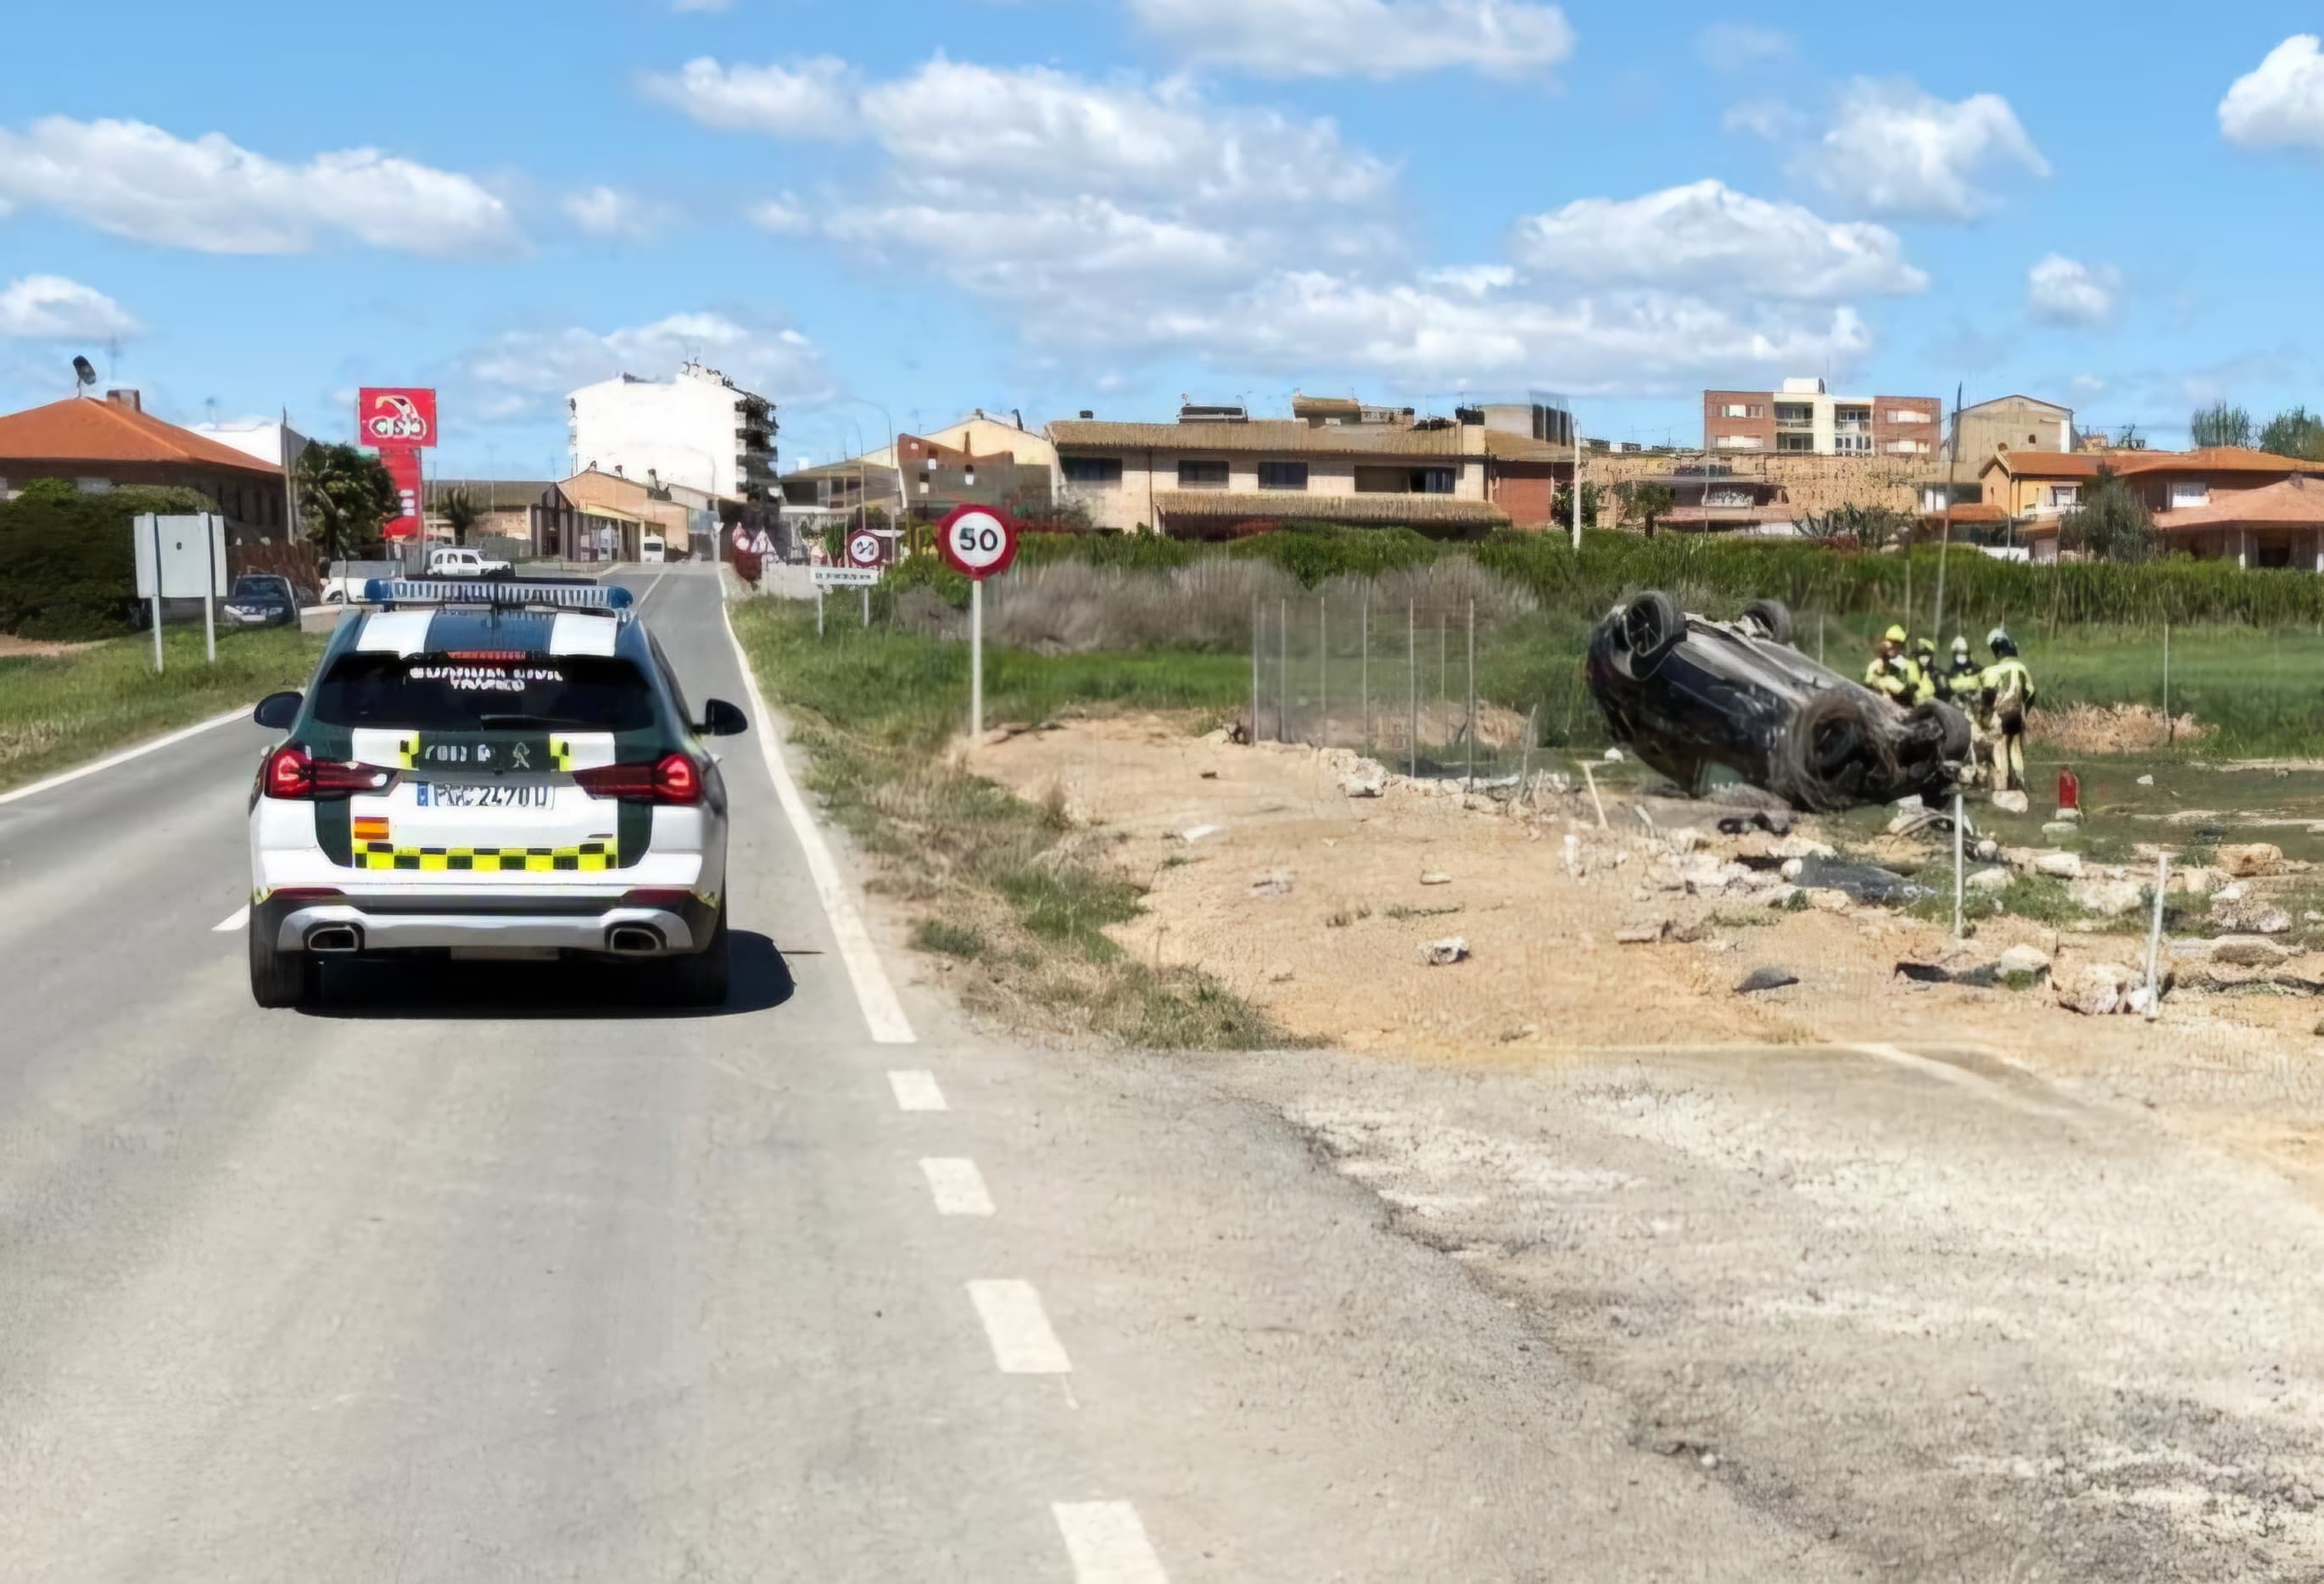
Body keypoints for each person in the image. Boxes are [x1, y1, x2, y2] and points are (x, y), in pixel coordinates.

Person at [1979, 627, 2037, 791]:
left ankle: (2003, 782)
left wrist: (1985, 716)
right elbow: (2031, 692)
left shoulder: (1994, 670)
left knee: (2002, 745)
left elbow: (1987, 694)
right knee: (2016, 745)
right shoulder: (2022, 668)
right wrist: (2025, 709)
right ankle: (2020, 778)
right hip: (2017, 712)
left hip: (2000, 714)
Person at [1864, 624, 1916, 702]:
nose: (1896, 647)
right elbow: (1866, 689)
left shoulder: (1898, 670)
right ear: (1884, 642)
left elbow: (1906, 694)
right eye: (1892, 642)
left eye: (1899, 644)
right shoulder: (1874, 667)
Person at [1938, 635, 1980, 701]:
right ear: (1955, 656)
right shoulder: (1952, 672)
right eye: (1959, 655)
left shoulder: (1975, 669)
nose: (1962, 658)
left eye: (1964, 655)